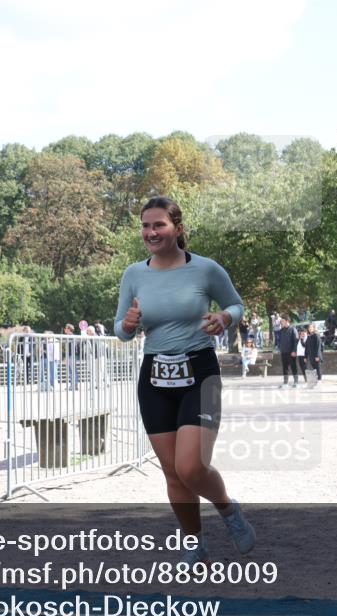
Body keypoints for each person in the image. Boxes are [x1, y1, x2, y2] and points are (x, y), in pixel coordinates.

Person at [113, 195, 254, 565]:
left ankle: (228, 510)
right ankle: (194, 542)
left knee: (191, 467)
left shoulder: (206, 269)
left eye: (158, 224)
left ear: (177, 228)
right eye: (145, 225)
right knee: (173, 472)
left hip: (199, 373)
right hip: (155, 376)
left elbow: (236, 304)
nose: (150, 232)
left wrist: (225, 317)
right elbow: (121, 328)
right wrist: (127, 325)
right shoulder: (134, 274)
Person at [277, 316, 299, 388]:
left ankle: (296, 382)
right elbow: (279, 340)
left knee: (293, 367)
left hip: (291, 352)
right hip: (284, 352)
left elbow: (296, 341)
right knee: (285, 368)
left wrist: (294, 351)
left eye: (282, 321)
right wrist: (280, 348)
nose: (281, 322)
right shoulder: (282, 330)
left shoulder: (293, 329)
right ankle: (285, 383)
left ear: (287, 321)